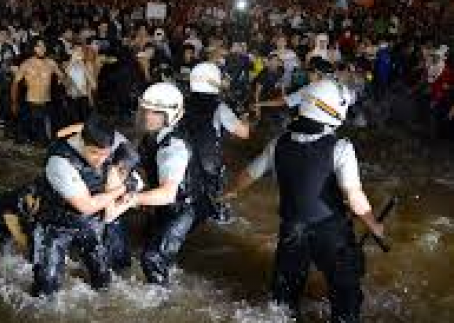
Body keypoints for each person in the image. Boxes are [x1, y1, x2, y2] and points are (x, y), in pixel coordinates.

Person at [225, 79, 384, 322]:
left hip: (292, 229)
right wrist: (374, 225)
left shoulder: (278, 143)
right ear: (334, 110)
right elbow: (354, 196)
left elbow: (247, 176)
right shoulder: (341, 147)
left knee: (282, 301)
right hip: (330, 232)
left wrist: (230, 192)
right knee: (345, 297)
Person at [31, 115, 131, 296]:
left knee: (103, 281)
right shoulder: (60, 161)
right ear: (82, 142)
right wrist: (121, 189)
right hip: (55, 223)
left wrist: (123, 175)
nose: (100, 160)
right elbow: (86, 205)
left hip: (88, 223)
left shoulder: (115, 141)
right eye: (94, 153)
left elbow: (127, 157)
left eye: (105, 154)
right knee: (46, 290)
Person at [121, 82, 203, 285]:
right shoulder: (153, 136)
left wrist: (131, 199)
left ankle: (162, 299)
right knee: (146, 242)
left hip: (184, 207)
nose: (149, 117)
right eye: (146, 111)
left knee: (153, 258)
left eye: (156, 113)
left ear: (171, 115)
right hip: (169, 202)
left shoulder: (173, 148)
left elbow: (167, 194)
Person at [184, 62, 250, 223]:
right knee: (215, 207)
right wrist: (245, 117)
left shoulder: (182, 103)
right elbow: (244, 133)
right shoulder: (219, 107)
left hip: (183, 158)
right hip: (209, 163)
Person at [11, 37, 67, 144]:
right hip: (30, 103)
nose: (42, 49)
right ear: (33, 48)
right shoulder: (26, 64)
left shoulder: (51, 63)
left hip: (47, 103)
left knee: (46, 138)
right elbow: (15, 84)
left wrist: (63, 79)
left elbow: (63, 78)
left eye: (44, 46)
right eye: (39, 46)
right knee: (28, 138)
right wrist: (14, 102)